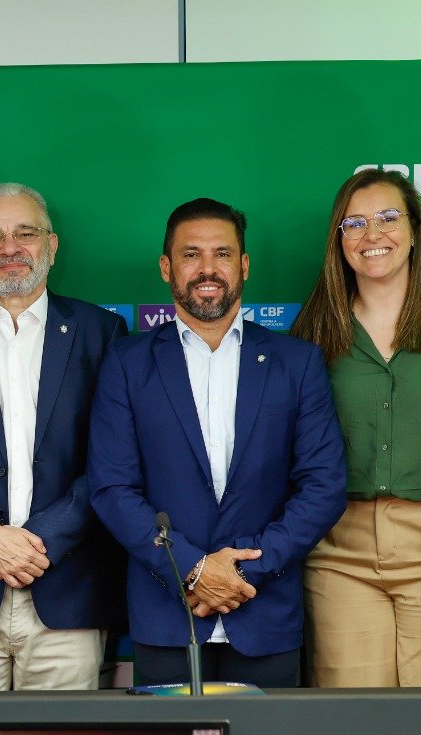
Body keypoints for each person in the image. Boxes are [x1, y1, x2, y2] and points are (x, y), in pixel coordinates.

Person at [89, 198, 346, 688]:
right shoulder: (126, 363)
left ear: (244, 265)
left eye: (222, 254)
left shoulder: (297, 363)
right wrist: (191, 569)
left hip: (265, 611)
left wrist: (244, 571)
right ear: (166, 267)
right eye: (191, 254)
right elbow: (112, 487)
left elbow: (323, 487)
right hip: (169, 615)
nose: (208, 268)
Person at [292, 169, 421, 687]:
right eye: (354, 223)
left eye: (389, 217)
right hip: (339, 552)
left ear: (414, 230)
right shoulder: (316, 324)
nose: (373, 234)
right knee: (353, 716)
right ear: (338, 238)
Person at [0, 182, 127, 690]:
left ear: (51, 245)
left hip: (67, 588)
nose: (10, 248)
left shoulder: (102, 333)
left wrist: (42, 541)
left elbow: (114, 458)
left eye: (25, 233)